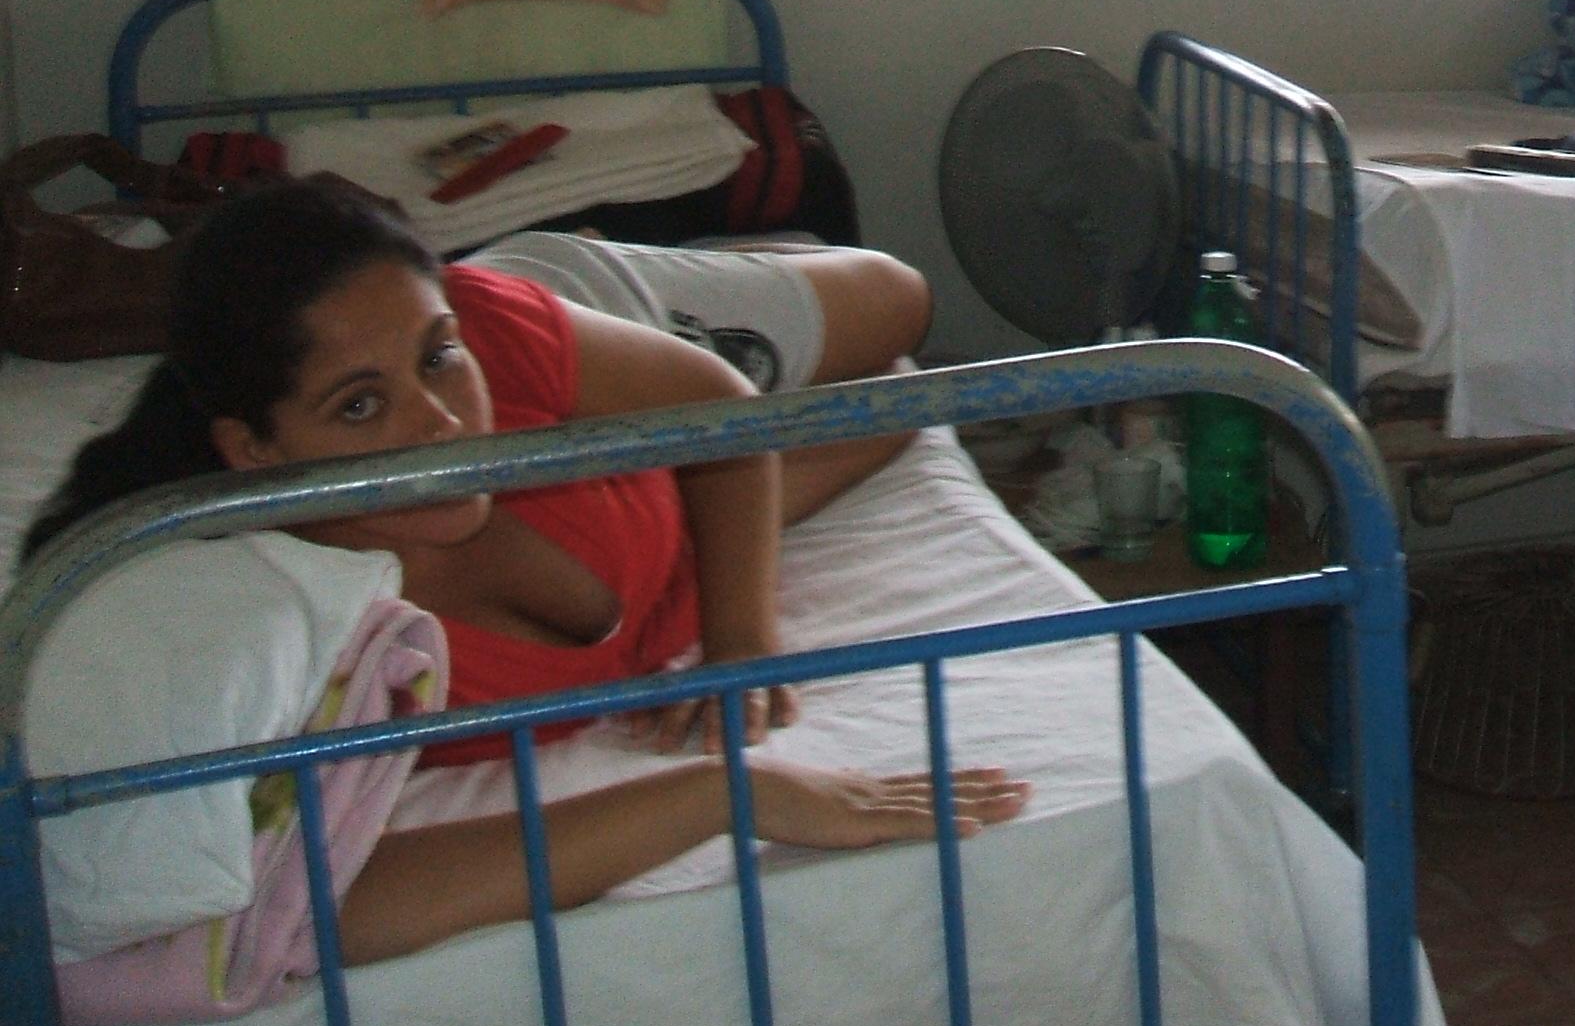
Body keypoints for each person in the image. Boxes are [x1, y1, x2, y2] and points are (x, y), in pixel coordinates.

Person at [21, 180, 1028, 966]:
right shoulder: (297, 626)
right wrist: (724, 793)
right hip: (664, 531)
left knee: (900, 301)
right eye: (360, 406)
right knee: (901, 407)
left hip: (598, 323)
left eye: (437, 359)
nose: (439, 423)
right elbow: (317, 904)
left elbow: (723, 412)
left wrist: (741, 641)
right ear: (254, 451)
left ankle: (657, 263)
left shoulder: (486, 336)